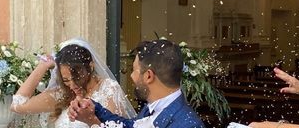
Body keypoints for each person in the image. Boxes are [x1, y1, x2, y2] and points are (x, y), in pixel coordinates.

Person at [69, 39, 204, 128]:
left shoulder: (186, 124)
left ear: (148, 76)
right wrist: (95, 108)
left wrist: (93, 121)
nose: (132, 77)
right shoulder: (152, 108)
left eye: (134, 70)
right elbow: (129, 125)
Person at [11, 38, 135, 128]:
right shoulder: (63, 94)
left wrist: (90, 119)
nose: (72, 85)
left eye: (76, 77)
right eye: (66, 80)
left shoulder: (108, 88)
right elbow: (17, 104)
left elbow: (116, 126)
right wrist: (42, 66)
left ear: (90, 66)